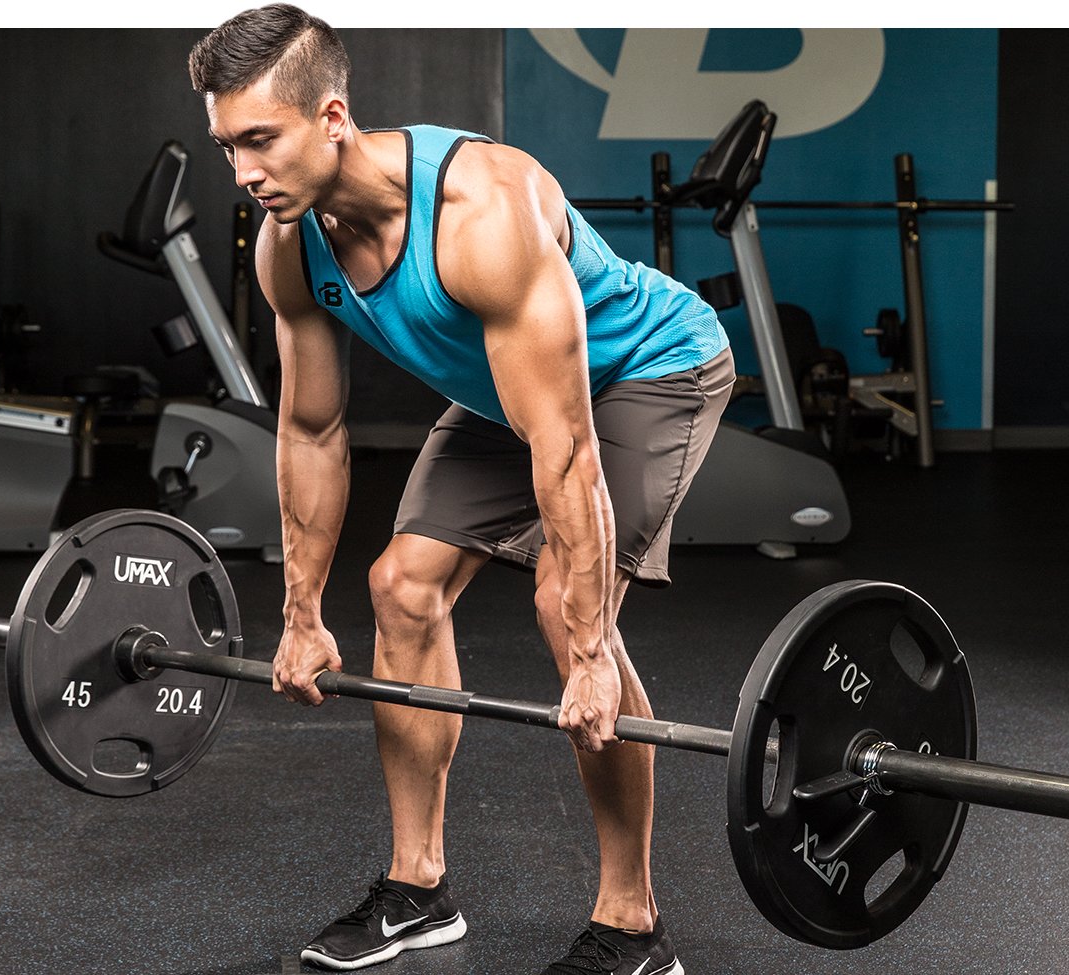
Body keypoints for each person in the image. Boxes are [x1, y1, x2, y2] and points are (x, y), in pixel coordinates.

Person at [188, 8, 734, 973]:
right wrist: (301, 611)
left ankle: (633, 925)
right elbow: (311, 429)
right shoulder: (289, 245)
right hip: (507, 390)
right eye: (228, 145)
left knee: (564, 612)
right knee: (400, 585)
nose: (244, 170)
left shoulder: (481, 207)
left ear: (332, 117)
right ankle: (417, 887)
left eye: (260, 140)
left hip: (648, 370)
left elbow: (563, 448)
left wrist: (596, 645)